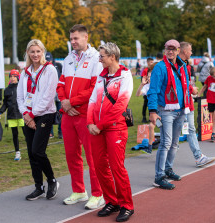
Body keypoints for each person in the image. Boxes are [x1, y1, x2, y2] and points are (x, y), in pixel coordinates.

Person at [56, 24, 104, 209]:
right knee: (71, 154)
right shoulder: (68, 58)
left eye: (76, 38)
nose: (73, 41)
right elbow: (60, 84)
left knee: (92, 156)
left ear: (86, 37)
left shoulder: (96, 58)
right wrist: (64, 102)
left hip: (86, 114)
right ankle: (79, 190)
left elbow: (95, 87)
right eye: (71, 38)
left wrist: (72, 101)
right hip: (68, 114)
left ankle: (98, 193)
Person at [87, 42, 134, 222]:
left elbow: (120, 106)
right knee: (99, 165)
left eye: (102, 56)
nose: (99, 59)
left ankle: (126, 205)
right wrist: (90, 122)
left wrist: (100, 125)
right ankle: (111, 201)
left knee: (117, 167)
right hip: (97, 128)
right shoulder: (101, 76)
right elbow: (92, 100)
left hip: (115, 127)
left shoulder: (125, 75)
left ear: (112, 57)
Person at [17, 39, 59, 200]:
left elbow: (49, 97)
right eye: (32, 51)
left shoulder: (50, 70)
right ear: (28, 53)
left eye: (38, 51)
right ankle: (38, 187)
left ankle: (52, 180)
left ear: (43, 52)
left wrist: (32, 115)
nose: (35, 54)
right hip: (27, 115)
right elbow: (20, 96)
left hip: (44, 114)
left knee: (38, 151)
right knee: (31, 153)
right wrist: (26, 114)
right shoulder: (25, 71)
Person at [148, 39, 191, 190]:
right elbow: (152, 90)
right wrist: (152, 111)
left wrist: (187, 105)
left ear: (178, 50)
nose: (170, 51)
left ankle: (168, 169)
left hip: (180, 110)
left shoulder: (182, 66)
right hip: (165, 110)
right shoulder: (160, 68)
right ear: (165, 50)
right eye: (168, 49)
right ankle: (159, 176)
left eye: (173, 49)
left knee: (174, 143)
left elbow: (185, 87)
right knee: (166, 143)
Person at [179, 42, 215, 166]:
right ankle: (164, 161)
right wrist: (191, 89)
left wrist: (191, 90)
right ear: (184, 51)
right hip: (177, 105)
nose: (192, 52)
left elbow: (187, 82)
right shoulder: (176, 65)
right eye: (190, 50)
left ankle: (198, 156)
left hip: (187, 103)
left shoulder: (187, 65)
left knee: (190, 128)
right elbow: (179, 84)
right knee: (174, 132)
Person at [0, 69, 23, 161]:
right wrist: (0, 111)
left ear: (18, 77)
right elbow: (5, 103)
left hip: (22, 115)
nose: (12, 78)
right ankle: (17, 153)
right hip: (11, 116)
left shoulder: (22, 87)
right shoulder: (7, 90)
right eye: (11, 76)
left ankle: (32, 151)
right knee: (14, 134)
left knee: (27, 134)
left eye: (14, 76)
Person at [198, 67, 215, 142]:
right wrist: (199, 95)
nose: (214, 78)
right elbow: (204, 87)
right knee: (213, 118)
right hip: (210, 100)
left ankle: (213, 134)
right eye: (213, 77)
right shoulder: (209, 78)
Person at [136, 63, 156, 154]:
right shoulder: (147, 86)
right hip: (153, 111)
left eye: (151, 76)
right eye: (148, 76)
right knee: (151, 126)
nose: (149, 78)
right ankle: (150, 147)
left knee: (163, 128)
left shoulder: (160, 85)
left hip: (162, 110)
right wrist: (142, 84)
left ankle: (172, 144)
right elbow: (137, 94)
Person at [45, 52, 63, 139]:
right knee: (49, 113)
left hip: (58, 93)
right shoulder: (44, 67)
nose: (49, 62)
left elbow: (63, 78)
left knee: (60, 113)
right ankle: (50, 132)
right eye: (47, 60)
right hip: (49, 94)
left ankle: (61, 132)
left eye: (50, 60)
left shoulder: (58, 66)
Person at [140, 57, 154, 123]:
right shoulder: (145, 70)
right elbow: (143, 78)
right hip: (146, 90)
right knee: (145, 104)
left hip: (152, 89)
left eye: (152, 62)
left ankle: (151, 117)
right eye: (151, 62)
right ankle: (144, 117)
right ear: (148, 62)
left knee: (152, 105)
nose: (152, 63)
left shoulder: (154, 69)